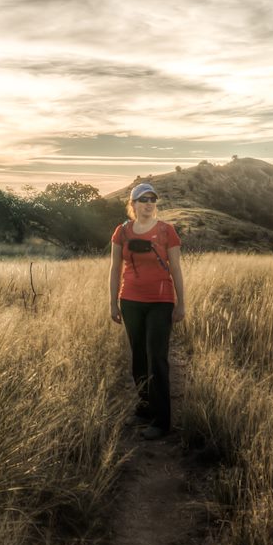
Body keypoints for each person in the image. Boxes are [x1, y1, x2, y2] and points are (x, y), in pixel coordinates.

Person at [109, 182, 186, 440]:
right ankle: (144, 406)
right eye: (143, 199)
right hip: (130, 300)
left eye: (153, 199)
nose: (149, 203)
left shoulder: (167, 231)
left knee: (157, 358)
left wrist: (181, 302)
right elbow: (114, 269)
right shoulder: (122, 232)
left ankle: (161, 420)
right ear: (133, 204)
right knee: (139, 357)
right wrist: (113, 302)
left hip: (161, 301)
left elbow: (176, 269)